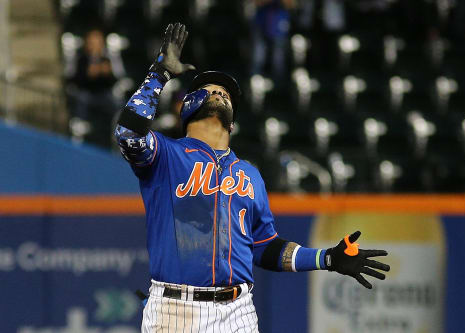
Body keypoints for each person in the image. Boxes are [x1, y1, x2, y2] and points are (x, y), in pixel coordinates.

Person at [115, 23, 390, 332]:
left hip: (239, 311)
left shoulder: (249, 174)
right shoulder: (166, 155)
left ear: (233, 123)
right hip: (177, 310)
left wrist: (326, 259)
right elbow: (128, 132)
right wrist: (160, 74)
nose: (220, 92)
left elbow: (265, 246)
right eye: (210, 89)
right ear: (187, 107)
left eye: (227, 93)